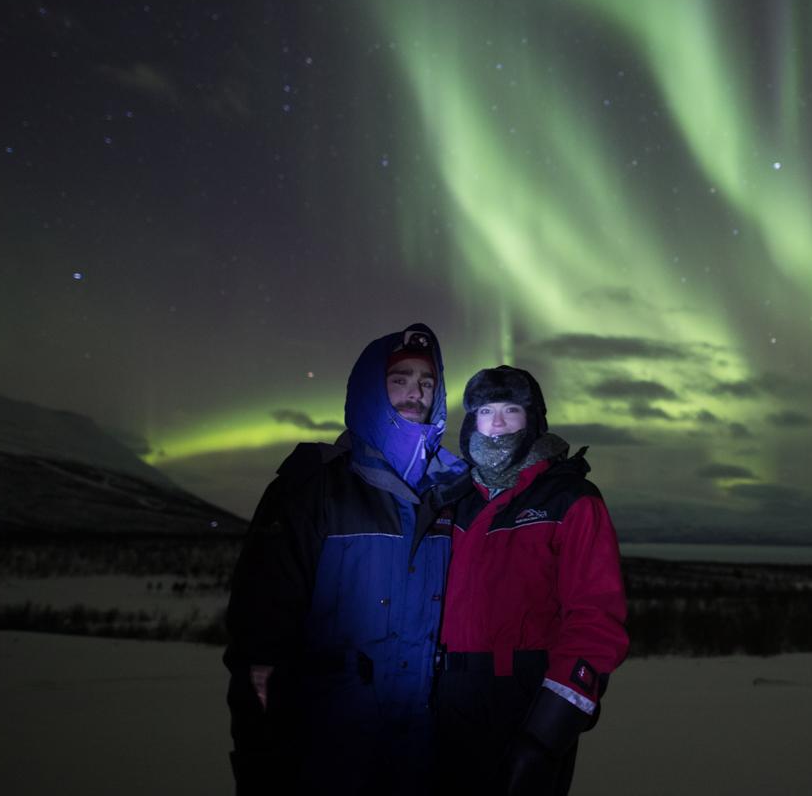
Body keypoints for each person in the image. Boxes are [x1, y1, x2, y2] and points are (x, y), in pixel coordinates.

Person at [224, 323, 469, 796]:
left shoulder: (452, 493)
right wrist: (261, 753)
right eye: (399, 380)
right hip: (326, 748)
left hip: (420, 749)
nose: (414, 392)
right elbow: (261, 629)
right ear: (369, 389)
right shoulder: (313, 488)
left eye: (426, 382)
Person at [434, 365, 628, 796]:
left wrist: (543, 738)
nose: (497, 422)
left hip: (523, 702)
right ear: (472, 420)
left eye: (511, 410)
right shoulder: (451, 499)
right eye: (485, 410)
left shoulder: (569, 499)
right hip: (442, 702)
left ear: (534, 418)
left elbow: (596, 622)